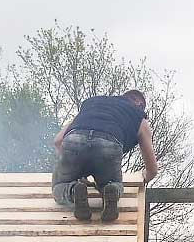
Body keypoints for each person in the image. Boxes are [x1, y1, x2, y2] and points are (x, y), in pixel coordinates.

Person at [52, 90, 158, 224]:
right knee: (113, 184)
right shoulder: (139, 117)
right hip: (108, 144)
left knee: (59, 186)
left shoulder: (91, 104)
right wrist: (144, 177)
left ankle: (73, 192)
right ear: (139, 104)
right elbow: (152, 170)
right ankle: (111, 191)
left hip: (74, 140)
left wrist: (68, 166)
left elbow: (58, 141)